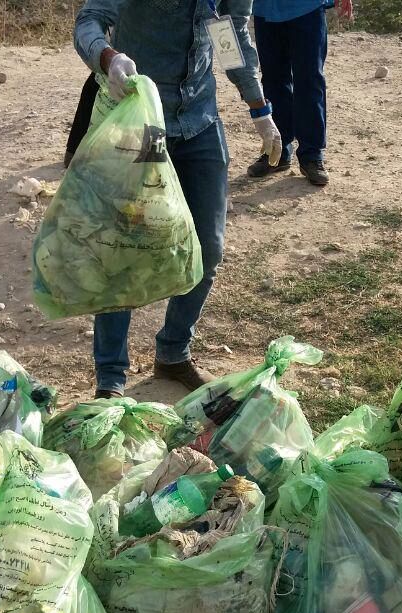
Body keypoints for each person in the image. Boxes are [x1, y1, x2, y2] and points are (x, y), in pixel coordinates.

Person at [75, 0, 282, 398]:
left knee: (208, 247)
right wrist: (108, 57)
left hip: (199, 119)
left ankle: (172, 351)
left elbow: (231, 33)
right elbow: (89, 20)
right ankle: (110, 378)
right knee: (122, 249)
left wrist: (258, 106)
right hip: (139, 122)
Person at [247, 0, 350, 187]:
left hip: (307, 8)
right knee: (273, 79)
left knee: (310, 80)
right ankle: (278, 152)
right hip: (266, 8)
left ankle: (312, 155)